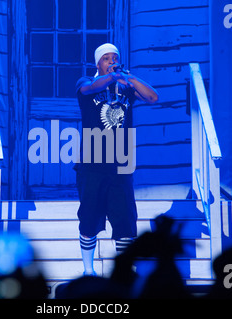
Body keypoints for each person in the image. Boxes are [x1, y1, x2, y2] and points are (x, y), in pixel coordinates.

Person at [74, 43, 158, 276]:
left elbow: (152, 97)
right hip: (92, 163)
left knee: (124, 221)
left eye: (115, 58)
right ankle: (89, 271)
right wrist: (113, 76)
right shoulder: (85, 81)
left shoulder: (125, 86)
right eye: (106, 58)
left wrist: (128, 78)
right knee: (89, 219)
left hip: (121, 164)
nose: (111, 61)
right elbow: (90, 89)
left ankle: (124, 272)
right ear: (97, 63)